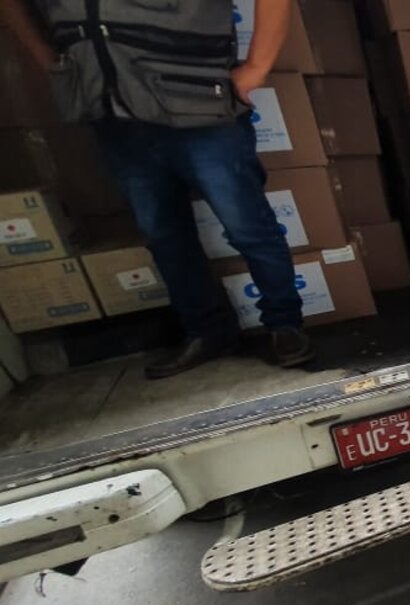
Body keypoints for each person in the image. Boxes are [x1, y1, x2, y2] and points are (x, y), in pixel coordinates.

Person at [0, 0, 312, 378]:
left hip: (195, 98)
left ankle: (284, 324)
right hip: (111, 108)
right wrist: (49, 59)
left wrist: (257, 67)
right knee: (163, 235)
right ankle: (207, 332)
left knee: (247, 225)